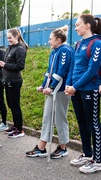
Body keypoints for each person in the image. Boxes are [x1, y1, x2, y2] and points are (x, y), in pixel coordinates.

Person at [25, 25, 74, 159]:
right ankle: (41, 147)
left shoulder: (65, 50)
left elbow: (62, 71)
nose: (49, 41)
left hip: (61, 90)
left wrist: (51, 87)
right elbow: (50, 71)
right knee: (47, 118)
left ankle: (63, 148)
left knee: (60, 119)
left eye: (51, 39)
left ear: (58, 39)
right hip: (52, 90)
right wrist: (43, 85)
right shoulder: (54, 51)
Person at [65, 14, 101, 174]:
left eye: (78, 24)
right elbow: (74, 66)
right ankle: (87, 154)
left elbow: (92, 71)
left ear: (88, 26)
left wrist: (76, 86)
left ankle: (98, 160)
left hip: (89, 89)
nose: (75, 27)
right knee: (82, 123)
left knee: (93, 124)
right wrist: (69, 84)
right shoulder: (79, 43)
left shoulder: (97, 43)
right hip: (76, 89)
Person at [0, 28, 28, 138]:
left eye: (10, 37)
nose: (8, 40)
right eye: (7, 37)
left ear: (16, 36)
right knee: (11, 104)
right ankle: (15, 126)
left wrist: (4, 65)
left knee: (15, 105)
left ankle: (19, 129)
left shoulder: (20, 49)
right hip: (7, 80)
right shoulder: (11, 48)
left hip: (14, 81)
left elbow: (20, 66)